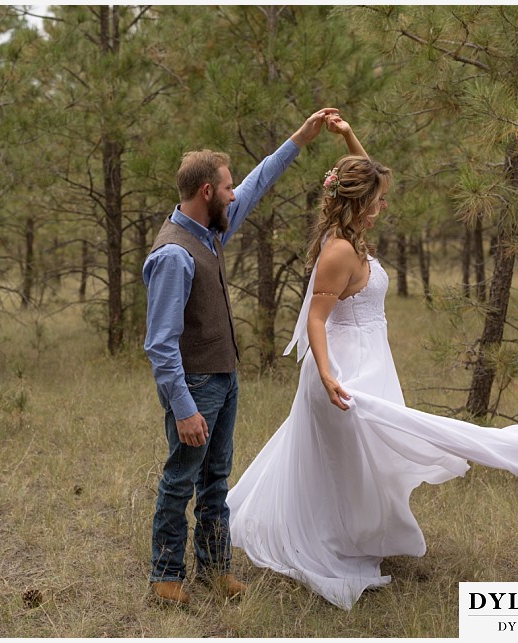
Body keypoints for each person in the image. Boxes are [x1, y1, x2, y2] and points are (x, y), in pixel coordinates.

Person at [226, 115, 518, 609]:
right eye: (377, 200)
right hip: (344, 368)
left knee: (370, 461)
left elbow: (372, 176)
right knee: (349, 461)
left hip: (371, 361)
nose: (384, 205)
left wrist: (346, 138)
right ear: (359, 205)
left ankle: (362, 534)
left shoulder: (356, 232)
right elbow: (317, 319)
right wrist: (325, 374)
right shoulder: (339, 251)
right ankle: (334, 543)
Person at [143, 107, 340, 606]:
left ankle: (214, 569)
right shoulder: (174, 254)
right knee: (180, 480)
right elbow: (160, 344)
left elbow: (254, 186)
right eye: (226, 188)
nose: (234, 195)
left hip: (224, 380)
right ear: (207, 192)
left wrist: (299, 138)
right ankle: (165, 578)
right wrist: (184, 407)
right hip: (196, 387)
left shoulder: (209, 233)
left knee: (216, 480)